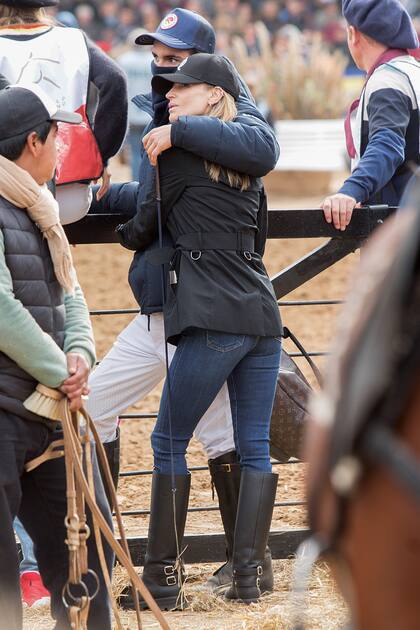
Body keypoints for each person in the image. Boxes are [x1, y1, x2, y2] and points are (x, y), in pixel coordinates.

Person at [86, 6, 280, 600]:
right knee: (243, 442)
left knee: (168, 437)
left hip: (195, 310)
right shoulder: (204, 143)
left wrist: (169, 142)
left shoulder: (204, 130)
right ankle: (250, 576)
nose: (164, 78)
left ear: (207, 82)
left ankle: (158, 578)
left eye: (177, 68)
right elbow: (155, 194)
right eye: (160, 62)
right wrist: (111, 192)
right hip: (251, 306)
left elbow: (149, 217)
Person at [0, 83, 113, 629]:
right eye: (56, 137)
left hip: (42, 409)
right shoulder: (24, 206)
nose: (62, 148)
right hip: (20, 406)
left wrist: (81, 351)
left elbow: (71, 292)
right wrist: (62, 373)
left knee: (82, 559)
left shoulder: (38, 207)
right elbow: (0, 308)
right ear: (32, 143)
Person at [0, 0, 128, 225]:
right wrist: (100, 156)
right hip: (71, 195)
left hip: (10, 189)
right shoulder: (73, 39)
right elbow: (115, 80)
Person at [321, 0, 420, 231]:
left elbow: (387, 144)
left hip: (401, 231)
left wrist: (351, 191)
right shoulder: (413, 71)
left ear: (353, 34)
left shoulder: (388, 79)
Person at [116, 28, 153, 179]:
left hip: (131, 112)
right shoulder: (154, 60)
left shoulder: (124, 60)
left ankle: (136, 184)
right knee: (149, 153)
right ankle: (148, 183)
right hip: (150, 113)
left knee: (135, 153)